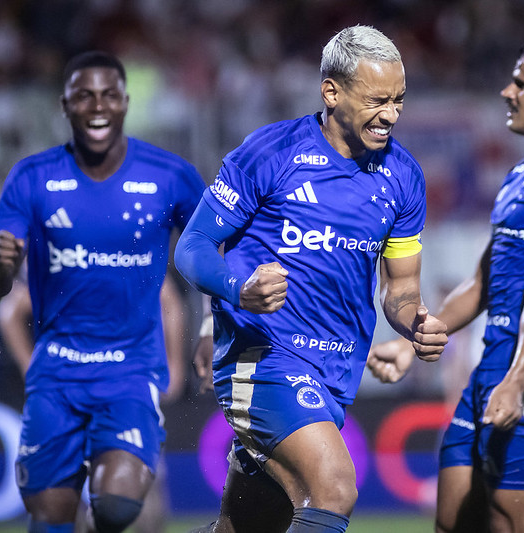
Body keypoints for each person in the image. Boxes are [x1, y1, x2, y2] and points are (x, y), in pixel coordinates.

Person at [175, 25, 448, 533]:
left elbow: (402, 289)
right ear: (331, 92)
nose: (391, 115)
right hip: (263, 360)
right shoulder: (270, 153)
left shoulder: (404, 178)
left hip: (335, 375)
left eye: (399, 100)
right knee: (334, 489)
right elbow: (191, 249)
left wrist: (415, 323)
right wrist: (240, 290)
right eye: (378, 100)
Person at [368, 34, 524, 533]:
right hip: (493, 367)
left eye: (522, 83)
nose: (507, 91)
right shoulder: (523, 175)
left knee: (510, 524)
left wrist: (518, 382)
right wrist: (413, 342)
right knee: (452, 522)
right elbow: (484, 281)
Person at [0, 50, 205, 533]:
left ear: (125, 102)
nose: (97, 106)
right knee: (50, 517)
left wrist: (210, 326)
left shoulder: (170, 176)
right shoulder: (31, 177)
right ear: (65, 104)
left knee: (118, 506)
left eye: (108, 95)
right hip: (56, 374)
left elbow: (215, 252)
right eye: (84, 95)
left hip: (130, 371)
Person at [0, 264, 187, 533]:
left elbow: (167, 298)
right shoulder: (63, 245)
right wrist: (35, 373)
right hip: (82, 386)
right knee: (65, 495)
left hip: (126, 383)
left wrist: (173, 365)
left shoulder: (129, 238)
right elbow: (10, 311)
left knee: (138, 487)